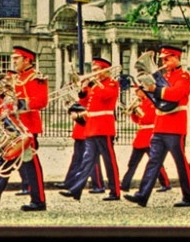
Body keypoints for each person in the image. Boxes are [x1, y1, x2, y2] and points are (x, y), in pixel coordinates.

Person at [0, 46, 48, 212]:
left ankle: (38, 201)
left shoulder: (36, 78)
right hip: (12, 126)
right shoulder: (16, 78)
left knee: (29, 164)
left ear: (27, 59)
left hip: (27, 127)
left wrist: (18, 104)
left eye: (17, 58)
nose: (13, 61)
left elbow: (41, 101)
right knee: (4, 159)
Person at [124, 45, 190, 208]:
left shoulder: (183, 76)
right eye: (163, 59)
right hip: (160, 125)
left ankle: (189, 197)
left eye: (167, 59)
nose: (164, 62)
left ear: (177, 58)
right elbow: (158, 98)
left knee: (180, 163)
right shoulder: (164, 77)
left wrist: (154, 89)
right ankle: (142, 195)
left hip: (175, 125)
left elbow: (176, 94)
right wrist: (148, 90)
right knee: (154, 161)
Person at [60, 57, 122, 202]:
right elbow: (83, 103)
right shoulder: (95, 86)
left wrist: (93, 84)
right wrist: (82, 90)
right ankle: (76, 189)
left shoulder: (112, 83)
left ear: (105, 71)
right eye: (93, 70)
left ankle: (115, 191)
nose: (93, 73)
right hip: (91, 127)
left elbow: (105, 96)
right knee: (87, 160)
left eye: (96, 70)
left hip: (103, 126)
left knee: (109, 161)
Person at [119, 84, 171, 194]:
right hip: (141, 136)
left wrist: (136, 109)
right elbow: (137, 120)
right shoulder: (141, 103)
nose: (136, 93)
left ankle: (165, 183)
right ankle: (125, 184)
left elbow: (147, 118)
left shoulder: (152, 102)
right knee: (132, 163)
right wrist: (133, 112)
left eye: (138, 91)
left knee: (155, 162)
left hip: (149, 135)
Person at [61, 102, 106, 193]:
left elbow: (88, 112)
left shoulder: (92, 95)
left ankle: (98, 184)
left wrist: (76, 112)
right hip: (80, 134)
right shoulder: (85, 96)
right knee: (77, 160)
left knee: (92, 161)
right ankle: (70, 182)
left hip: (88, 133)